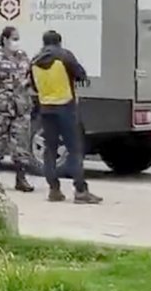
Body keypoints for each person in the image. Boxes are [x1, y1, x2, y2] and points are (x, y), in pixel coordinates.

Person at [30, 30, 102, 204]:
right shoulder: (64, 56)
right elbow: (80, 74)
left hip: (46, 109)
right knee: (74, 149)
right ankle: (80, 191)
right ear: (59, 42)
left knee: (50, 150)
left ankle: (54, 190)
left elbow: (33, 85)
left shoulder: (34, 61)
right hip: (66, 108)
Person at [0, 26, 35, 192]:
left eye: (18, 38)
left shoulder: (23, 57)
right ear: (5, 39)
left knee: (21, 143)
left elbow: (29, 78)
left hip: (20, 107)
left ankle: (21, 179)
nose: (16, 42)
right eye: (14, 38)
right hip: (2, 106)